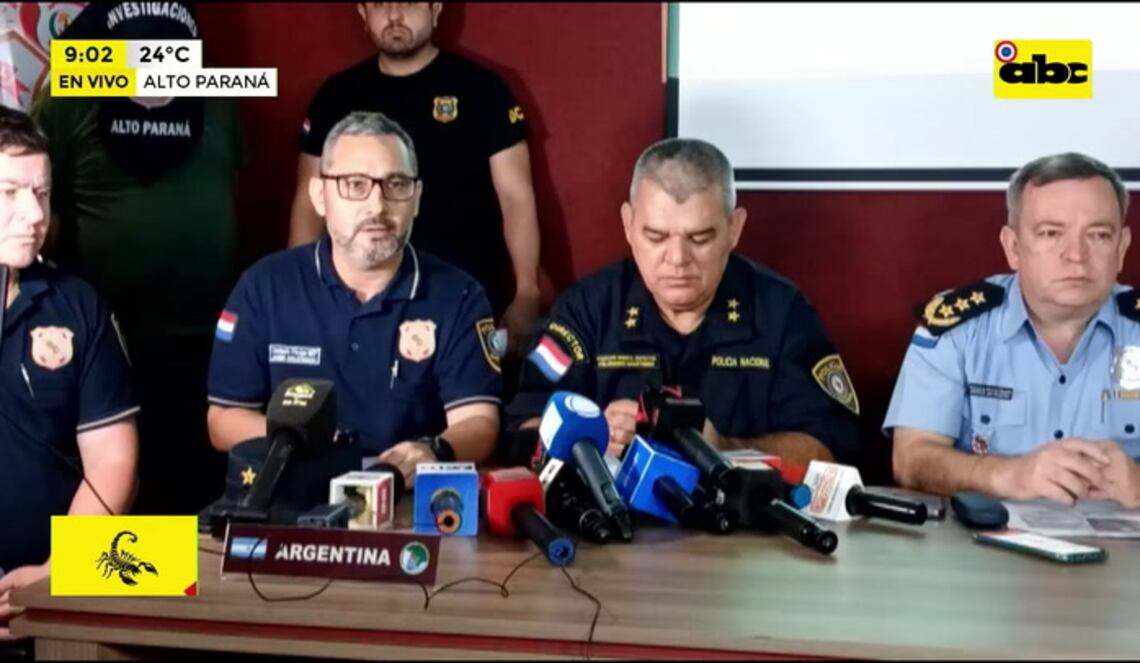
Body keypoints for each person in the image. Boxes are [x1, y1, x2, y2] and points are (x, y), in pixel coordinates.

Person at [504, 138, 861, 467]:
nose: (677, 258)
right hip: (609, 515)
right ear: (628, 225)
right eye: (656, 236)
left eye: (700, 238)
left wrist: (722, 447)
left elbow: (832, 450)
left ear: (734, 229)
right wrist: (592, 438)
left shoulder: (781, 313)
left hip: (742, 515)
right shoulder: (586, 311)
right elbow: (520, 431)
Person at [31, 1, 245, 515]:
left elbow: (230, 185)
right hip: (106, 342)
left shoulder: (218, 96)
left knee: (202, 507)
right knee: (118, 495)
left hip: (208, 344)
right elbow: (40, 208)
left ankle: (182, 569)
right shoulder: (68, 94)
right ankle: (112, 566)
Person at [207, 111, 500, 485]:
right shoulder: (264, 286)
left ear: (417, 198)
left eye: (396, 184)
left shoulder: (458, 296)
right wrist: (313, 446)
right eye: (355, 184)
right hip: (293, 490)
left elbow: (480, 421)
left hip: (406, 494)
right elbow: (223, 419)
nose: (377, 207)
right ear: (320, 196)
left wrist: (433, 452)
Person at [883, 152, 1140, 508]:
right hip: (984, 539)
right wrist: (1009, 475)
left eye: (1098, 235)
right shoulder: (957, 328)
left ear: (1122, 248)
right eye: (1051, 233)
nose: (1076, 255)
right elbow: (911, 459)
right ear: (1014, 247)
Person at [288, 2, 541, 362]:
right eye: (380, 4)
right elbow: (308, 202)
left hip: (464, 300)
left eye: (408, 2)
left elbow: (517, 198)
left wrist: (527, 291)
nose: (394, 15)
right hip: (357, 304)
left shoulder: (482, 90)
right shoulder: (337, 96)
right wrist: (299, 287)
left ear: (436, 9)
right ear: (362, 13)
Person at [0, 106, 137, 640]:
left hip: (67, 564)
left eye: (42, 193)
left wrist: (61, 572)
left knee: (188, 563)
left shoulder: (79, 304)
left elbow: (114, 460)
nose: (33, 214)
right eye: (10, 192)